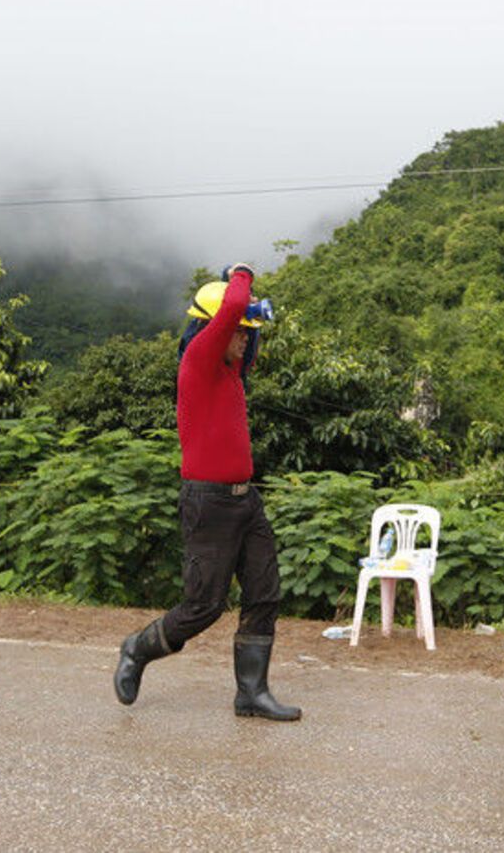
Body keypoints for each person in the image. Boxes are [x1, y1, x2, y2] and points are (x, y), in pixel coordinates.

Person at [113, 264, 300, 721]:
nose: (245, 338)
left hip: (244, 500)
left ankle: (251, 695)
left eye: (248, 333)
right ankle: (137, 649)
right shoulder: (198, 359)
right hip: (208, 502)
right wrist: (240, 274)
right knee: (204, 606)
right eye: (239, 332)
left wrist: (248, 308)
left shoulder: (233, 373)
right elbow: (233, 305)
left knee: (265, 592)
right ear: (213, 329)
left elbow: (239, 318)